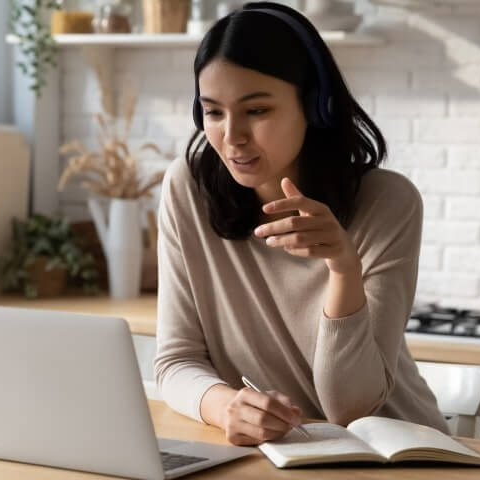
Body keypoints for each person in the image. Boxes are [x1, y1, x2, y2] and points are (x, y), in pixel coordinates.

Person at [154, 1, 448, 446]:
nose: (232, 137)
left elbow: (350, 408)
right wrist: (225, 407)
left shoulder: (388, 203)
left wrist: (343, 268)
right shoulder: (188, 189)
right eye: (213, 112)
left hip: (400, 454)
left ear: (315, 105)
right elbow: (175, 362)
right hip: (287, 457)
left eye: (256, 111)